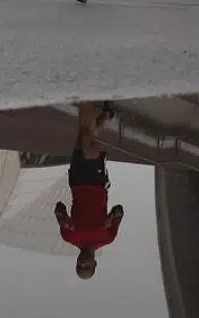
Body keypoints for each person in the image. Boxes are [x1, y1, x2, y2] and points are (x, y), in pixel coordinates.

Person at [55, 102, 125, 279]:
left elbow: (59, 207)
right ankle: (87, 100)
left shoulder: (68, 236)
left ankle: (105, 115)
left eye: (79, 266)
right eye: (86, 266)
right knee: (88, 140)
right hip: (97, 184)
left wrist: (64, 219)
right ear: (95, 263)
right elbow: (119, 210)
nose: (82, 262)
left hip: (77, 183)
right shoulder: (107, 238)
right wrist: (110, 218)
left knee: (82, 138)